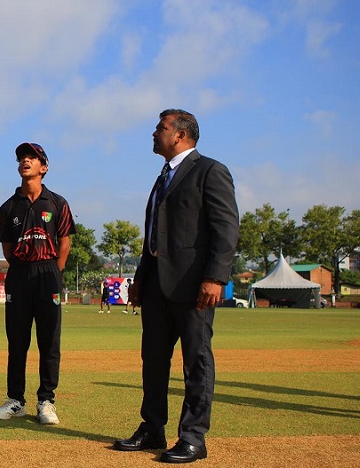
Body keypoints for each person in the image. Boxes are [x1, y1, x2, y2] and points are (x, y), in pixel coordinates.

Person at [113, 109, 239, 463]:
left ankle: (193, 438)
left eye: (161, 127)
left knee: (196, 361)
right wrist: (140, 278)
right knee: (153, 360)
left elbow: (226, 227)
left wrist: (215, 277)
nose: (155, 133)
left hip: (194, 286)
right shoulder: (161, 178)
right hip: (156, 285)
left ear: (180, 135)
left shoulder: (209, 171)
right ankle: (153, 428)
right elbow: (153, 235)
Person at [0, 142, 76, 426]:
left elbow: (65, 243)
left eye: (32, 157)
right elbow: (7, 249)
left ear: (44, 167)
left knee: (49, 341)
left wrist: (53, 273)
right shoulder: (7, 208)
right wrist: (23, 267)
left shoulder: (58, 203)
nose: (25, 161)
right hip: (19, 274)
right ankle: (15, 400)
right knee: (17, 341)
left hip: (48, 273)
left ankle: (46, 401)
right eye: (21, 158)